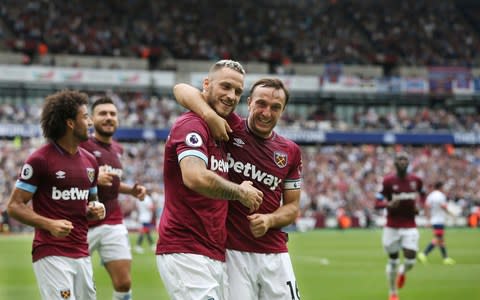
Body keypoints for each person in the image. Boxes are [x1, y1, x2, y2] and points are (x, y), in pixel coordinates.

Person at [174, 77, 303, 300]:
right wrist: (210, 116)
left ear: (283, 111)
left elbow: (292, 207)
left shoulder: (290, 151)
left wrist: (269, 220)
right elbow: (181, 89)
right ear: (250, 102)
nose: (266, 112)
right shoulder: (231, 127)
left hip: (275, 253)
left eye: (275, 107)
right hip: (233, 254)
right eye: (261, 104)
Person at [156, 59, 264, 300]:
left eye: (237, 91)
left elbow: (181, 90)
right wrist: (240, 192)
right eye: (225, 86)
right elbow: (195, 177)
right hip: (185, 248)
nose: (231, 95)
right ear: (206, 84)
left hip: (215, 252)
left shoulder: (227, 125)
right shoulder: (191, 125)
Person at [6, 89, 106, 300]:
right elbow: (14, 206)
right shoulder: (40, 160)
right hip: (51, 252)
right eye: (85, 116)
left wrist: (95, 210)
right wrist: (49, 224)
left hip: (81, 251)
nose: (90, 122)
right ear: (70, 123)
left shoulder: (91, 162)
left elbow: (90, 206)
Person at [81, 97, 147, 300]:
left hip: (112, 220)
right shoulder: (83, 145)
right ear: (91, 119)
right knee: (78, 286)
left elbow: (112, 182)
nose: (109, 118)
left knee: (124, 283)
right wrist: (91, 177)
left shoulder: (118, 149)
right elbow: (67, 175)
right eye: (103, 113)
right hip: (83, 223)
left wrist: (131, 191)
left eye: (112, 114)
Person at [375, 151, 425, 300]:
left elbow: (423, 195)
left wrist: (420, 207)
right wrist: (388, 204)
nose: (403, 161)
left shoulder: (416, 180)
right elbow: (377, 202)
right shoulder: (388, 181)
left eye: (405, 159)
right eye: (400, 159)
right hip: (392, 226)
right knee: (393, 260)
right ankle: (393, 292)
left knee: (410, 260)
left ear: (408, 163)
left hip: (410, 225)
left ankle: (403, 272)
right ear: (395, 163)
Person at [417, 181, 456, 265]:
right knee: (438, 239)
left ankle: (445, 258)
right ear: (440, 187)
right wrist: (451, 214)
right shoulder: (441, 196)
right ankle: (424, 254)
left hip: (434, 220)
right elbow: (443, 207)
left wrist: (428, 219)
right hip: (439, 220)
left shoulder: (431, 196)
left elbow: (426, 207)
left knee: (441, 240)